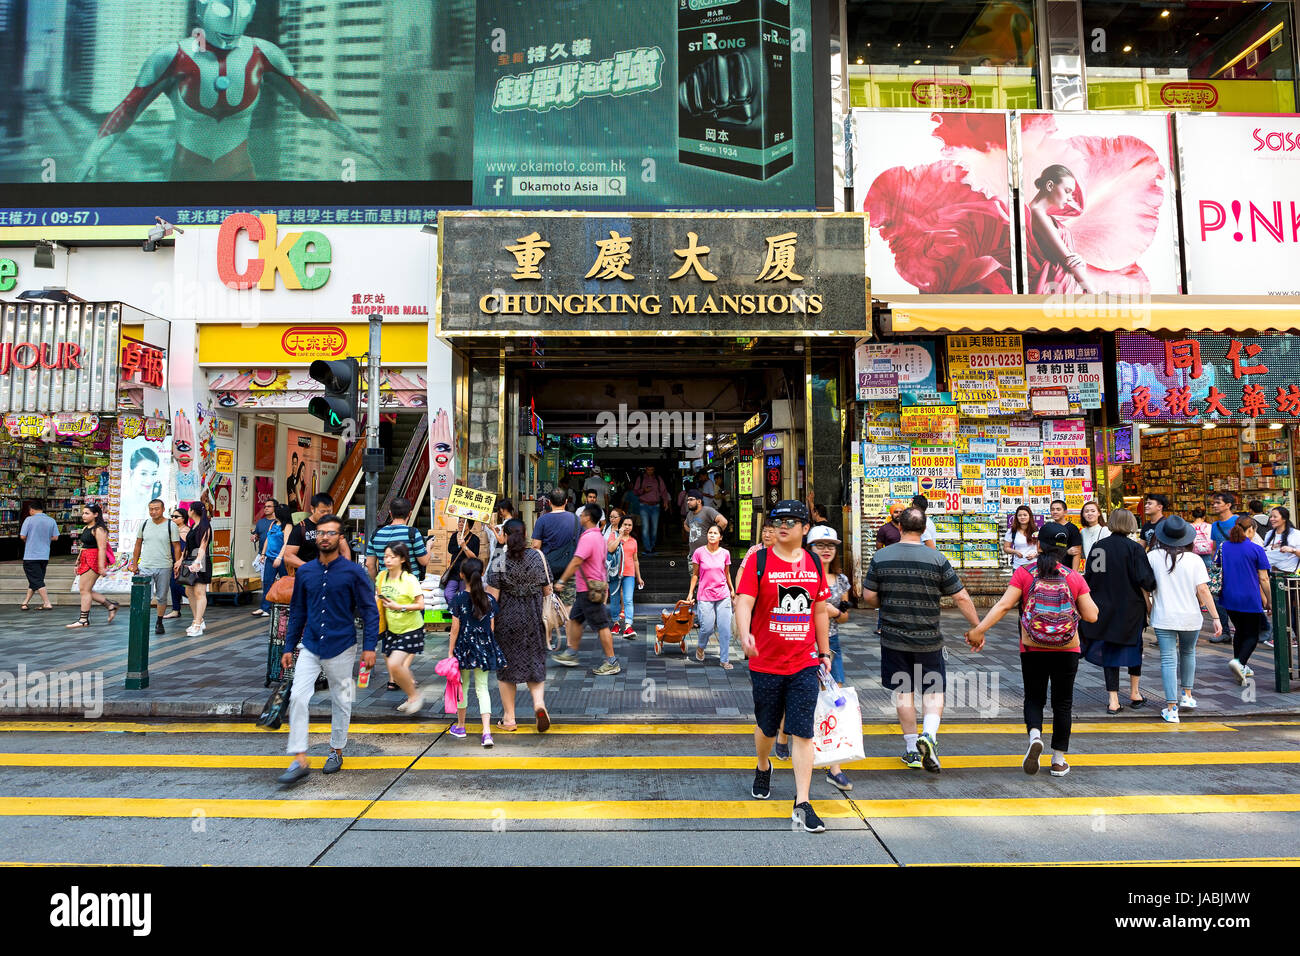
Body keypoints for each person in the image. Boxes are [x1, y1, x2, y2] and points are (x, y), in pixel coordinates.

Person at [734, 500, 832, 833]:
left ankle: (802, 802)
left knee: (803, 731)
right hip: (765, 660)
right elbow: (744, 601)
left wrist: (825, 652)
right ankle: (763, 765)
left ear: (805, 529)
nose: (783, 525)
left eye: (792, 521)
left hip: (804, 661)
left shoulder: (814, 564)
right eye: (778, 520)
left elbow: (819, 610)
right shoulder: (759, 561)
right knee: (766, 725)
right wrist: (744, 633)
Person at [967, 532, 1100, 778]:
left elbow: (1004, 605)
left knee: (1034, 698)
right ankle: (1059, 760)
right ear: (1065, 549)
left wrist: (978, 630)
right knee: (1063, 703)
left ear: (1038, 545)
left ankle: (1035, 736)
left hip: (1032, 647)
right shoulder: (1072, 577)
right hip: (1067, 648)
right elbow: (1092, 616)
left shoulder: (1025, 573)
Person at [862, 507, 981, 773]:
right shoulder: (937, 558)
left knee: (904, 692)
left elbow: (868, 597)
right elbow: (960, 596)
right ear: (924, 529)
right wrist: (977, 626)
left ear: (900, 527)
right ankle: (929, 735)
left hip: (894, 639)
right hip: (929, 639)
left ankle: (910, 748)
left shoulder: (881, 556)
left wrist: (888, 601)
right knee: (933, 689)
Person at [276, 514, 380, 784]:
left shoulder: (353, 572)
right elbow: (297, 611)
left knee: (341, 699)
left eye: (331, 533)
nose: (324, 537)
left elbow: (370, 611)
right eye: (321, 533)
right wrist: (289, 646)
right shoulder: (307, 572)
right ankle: (299, 757)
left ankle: (336, 750)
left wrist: (370, 647)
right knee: (298, 696)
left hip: (342, 646)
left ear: (339, 538)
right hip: (310, 644)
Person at [1078, 509, 1155, 714]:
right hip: (1131, 608)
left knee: (1109, 651)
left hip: (1104, 606)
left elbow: (1092, 578)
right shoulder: (1135, 549)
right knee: (1134, 647)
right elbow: (1146, 580)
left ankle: (1113, 700)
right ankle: (1135, 693)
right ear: (1130, 524)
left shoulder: (1099, 548)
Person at [1147, 515, 1220, 723]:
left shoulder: (1152, 557)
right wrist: (1215, 617)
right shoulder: (1194, 559)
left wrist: (1149, 607)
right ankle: (1187, 696)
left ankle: (1171, 709)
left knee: (1168, 660)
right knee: (1188, 652)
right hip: (1191, 616)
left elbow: (1144, 585)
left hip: (1163, 616)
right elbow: (1203, 590)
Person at [486, 518, 552, 733]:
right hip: (534, 618)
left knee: (506, 668)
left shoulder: (499, 559)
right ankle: (539, 704)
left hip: (507, 619)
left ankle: (509, 719)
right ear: (525, 534)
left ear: (504, 535)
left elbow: (492, 597)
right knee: (535, 662)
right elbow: (547, 590)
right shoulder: (537, 556)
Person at [807, 525, 855, 791]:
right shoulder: (801, 574)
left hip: (831, 644)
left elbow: (845, 615)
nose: (826, 550)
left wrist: (832, 610)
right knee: (801, 697)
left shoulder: (841, 579)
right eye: (820, 545)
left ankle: (834, 765)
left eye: (831, 546)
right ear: (810, 547)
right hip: (802, 642)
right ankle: (781, 736)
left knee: (835, 700)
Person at [553, 504, 621, 676]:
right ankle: (571, 652)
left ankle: (612, 661)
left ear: (588, 517)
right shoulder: (599, 537)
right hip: (591, 587)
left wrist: (562, 580)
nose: (580, 517)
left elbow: (576, 561)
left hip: (589, 590)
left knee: (601, 626)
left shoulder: (588, 538)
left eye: (582, 514)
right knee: (575, 619)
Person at [447, 557, 505, 746]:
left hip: (463, 647)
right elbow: (492, 627)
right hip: (483, 648)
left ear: (462, 575)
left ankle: (461, 726)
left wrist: (450, 652)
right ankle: (486, 732)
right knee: (482, 688)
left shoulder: (458, 599)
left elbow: (454, 629)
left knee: (462, 688)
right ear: (482, 574)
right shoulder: (489, 599)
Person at [1025, 163, 1095, 294]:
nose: (1069, 198)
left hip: (1061, 284)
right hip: (1056, 286)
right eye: (1067, 191)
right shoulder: (1037, 213)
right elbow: (1068, 260)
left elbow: (1069, 259)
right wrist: (1094, 294)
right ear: (1050, 186)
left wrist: (1079, 262)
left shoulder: (1040, 214)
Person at [1218, 516, 1271, 685]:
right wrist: (1269, 600)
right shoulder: (1256, 549)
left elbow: (1217, 568)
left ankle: (1240, 664)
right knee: (1252, 634)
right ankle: (1239, 662)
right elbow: (1264, 579)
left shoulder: (1224, 547)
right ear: (1250, 530)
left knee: (1240, 630)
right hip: (1249, 597)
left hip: (1229, 597)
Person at [376, 542, 426, 715]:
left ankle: (415, 696)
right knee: (395, 669)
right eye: (385, 557)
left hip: (411, 628)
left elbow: (420, 605)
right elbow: (378, 595)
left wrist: (400, 607)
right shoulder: (382, 576)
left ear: (402, 559)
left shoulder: (409, 580)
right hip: (392, 629)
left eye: (392, 557)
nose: (388, 560)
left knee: (395, 664)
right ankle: (411, 696)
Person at [129, 498, 182, 635]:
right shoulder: (144, 524)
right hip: (145, 565)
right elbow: (138, 544)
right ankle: (143, 622)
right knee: (144, 595)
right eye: (151, 509)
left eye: (156, 509)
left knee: (161, 596)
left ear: (163, 509)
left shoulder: (171, 525)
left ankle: (159, 621)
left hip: (164, 566)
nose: (153, 512)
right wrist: (135, 564)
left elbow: (177, 546)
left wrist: (177, 563)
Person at [687, 524, 734, 669]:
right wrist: (690, 593)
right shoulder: (699, 552)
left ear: (720, 537)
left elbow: (726, 573)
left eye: (715, 533)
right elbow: (695, 575)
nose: (712, 535)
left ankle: (724, 659)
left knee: (725, 629)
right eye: (710, 532)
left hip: (723, 594)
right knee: (707, 628)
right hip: (705, 595)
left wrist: (732, 589)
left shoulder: (725, 553)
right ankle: (701, 647)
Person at [66, 504, 119, 628]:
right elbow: (83, 546)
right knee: (85, 590)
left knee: (85, 590)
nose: (84, 515)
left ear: (96, 514)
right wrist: (77, 562)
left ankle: (83, 619)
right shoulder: (86, 528)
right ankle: (110, 606)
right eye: (83, 513)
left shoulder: (99, 529)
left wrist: (101, 567)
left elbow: (102, 548)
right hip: (85, 558)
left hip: (93, 559)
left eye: (87, 513)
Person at [282, 493, 353, 570]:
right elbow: (288, 556)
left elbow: (344, 551)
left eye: (329, 511)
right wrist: (311, 567)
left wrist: (345, 569)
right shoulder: (301, 527)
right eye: (322, 511)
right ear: (312, 509)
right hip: (308, 576)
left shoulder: (335, 527)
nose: (326, 515)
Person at [365, 496, 429, 580]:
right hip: (409, 587)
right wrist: (429, 545)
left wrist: (378, 583)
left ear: (390, 513)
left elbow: (369, 564)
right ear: (410, 513)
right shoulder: (413, 533)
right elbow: (424, 561)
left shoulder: (376, 534)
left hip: (386, 586)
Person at [1208, 491, 1242, 645]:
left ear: (1228, 505)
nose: (1214, 505)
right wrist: (1213, 564)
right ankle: (1225, 632)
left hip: (1238, 567)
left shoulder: (1238, 521)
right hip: (1221, 568)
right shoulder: (1215, 525)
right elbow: (1214, 547)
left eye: (1218, 503)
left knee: (1240, 599)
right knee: (1218, 599)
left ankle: (1257, 629)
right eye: (1213, 503)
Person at [176, 500, 212, 637]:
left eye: (189, 509)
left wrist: (197, 561)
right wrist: (180, 560)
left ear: (193, 511)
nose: (188, 511)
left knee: (199, 592)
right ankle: (199, 619)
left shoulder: (205, 526)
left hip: (200, 561)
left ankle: (197, 624)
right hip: (189, 560)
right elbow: (188, 547)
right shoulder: (194, 526)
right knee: (189, 590)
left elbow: (203, 547)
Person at [18, 499, 59, 611]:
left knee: (36, 580)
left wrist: (31, 539)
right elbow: (55, 537)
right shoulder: (51, 520)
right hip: (44, 555)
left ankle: (47, 603)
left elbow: (22, 536)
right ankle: (25, 602)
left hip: (31, 555)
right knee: (36, 579)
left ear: (31, 510)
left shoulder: (29, 520)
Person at [532, 489, 580, 583]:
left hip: (548, 570)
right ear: (566, 501)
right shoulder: (576, 519)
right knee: (569, 598)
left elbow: (536, 546)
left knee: (548, 597)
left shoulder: (542, 520)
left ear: (549, 502)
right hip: (570, 571)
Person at [608, 515, 642, 639]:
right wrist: (620, 536)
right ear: (621, 525)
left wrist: (639, 577)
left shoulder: (634, 541)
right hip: (614, 573)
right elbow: (610, 549)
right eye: (625, 524)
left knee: (628, 600)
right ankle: (616, 623)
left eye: (629, 525)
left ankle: (628, 626)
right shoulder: (613, 536)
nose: (627, 527)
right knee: (614, 600)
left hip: (629, 574)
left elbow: (635, 560)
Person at [259, 503, 294, 616]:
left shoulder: (287, 526)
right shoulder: (273, 524)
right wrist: (263, 554)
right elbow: (267, 539)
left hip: (282, 559)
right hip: (270, 557)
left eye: (275, 511)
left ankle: (287, 606)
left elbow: (286, 543)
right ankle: (265, 608)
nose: (273, 513)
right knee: (267, 582)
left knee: (285, 583)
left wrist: (279, 557)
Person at [634, 465, 669, 555]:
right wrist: (643, 490)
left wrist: (665, 502)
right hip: (644, 505)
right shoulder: (641, 478)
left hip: (655, 506)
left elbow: (664, 491)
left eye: (652, 469)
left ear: (654, 470)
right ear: (646, 469)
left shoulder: (658, 478)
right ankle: (647, 548)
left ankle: (652, 546)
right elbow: (635, 491)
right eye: (648, 469)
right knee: (645, 528)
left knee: (654, 528)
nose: (650, 471)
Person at [444, 517, 480, 605]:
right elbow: (450, 550)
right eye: (459, 521)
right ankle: (455, 610)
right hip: (454, 571)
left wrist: (464, 547)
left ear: (469, 525)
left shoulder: (475, 539)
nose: (460, 524)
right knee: (448, 593)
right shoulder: (454, 536)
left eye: (463, 522)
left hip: (466, 572)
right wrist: (457, 543)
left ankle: (461, 614)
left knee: (463, 594)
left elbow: (474, 558)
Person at [1040, 499, 1083, 568]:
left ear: (1065, 512)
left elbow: (1077, 553)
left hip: (1066, 569)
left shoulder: (1072, 528)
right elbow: (1042, 550)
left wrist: (1074, 574)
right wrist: (1066, 551)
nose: (1055, 512)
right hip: (1048, 568)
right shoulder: (1047, 528)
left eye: (1058, 509)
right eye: (1052, 509)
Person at [683, 489, 727, 555]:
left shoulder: (707, 511)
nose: (688, 502)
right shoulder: (690, 514)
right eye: (688, 500)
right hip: (693, 555)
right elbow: (685, 524)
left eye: (691, 499)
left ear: (699, 501)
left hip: (707, 554)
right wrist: (692, 531)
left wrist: (713, 534)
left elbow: (723, 522)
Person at [166, 507, 190, 619]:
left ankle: (196, 597)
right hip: (173, 561)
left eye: (176, 517)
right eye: (172, 517)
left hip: (180, 562)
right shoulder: (174, 530)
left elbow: (184, 549)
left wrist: (180, 562)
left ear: (183, 518)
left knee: (176, 584)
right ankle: (176, 610)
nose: (173, 519)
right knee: (173, 584)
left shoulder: (185, 531)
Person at [1262, 506, 1300, 574]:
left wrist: (1293, 550)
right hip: (1272, 575)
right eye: (1271, 517)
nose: (1271, 519)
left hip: (1290, 576)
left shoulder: (1296, 534)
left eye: (1275, 517)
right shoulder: (1269, 534)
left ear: (1284, 518)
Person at [1002, 505, 1039, 570]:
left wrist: (1035, 554)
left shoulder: (1036, 531)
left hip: (1034, 567)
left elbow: (1042, 548)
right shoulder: (1012, 531)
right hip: (1018, 567)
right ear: (1016, 517)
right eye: (1019, 515)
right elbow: (1006, 548)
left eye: (1025, 515)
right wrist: (1015, 552)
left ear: (1029, 516)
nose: (1022, 517)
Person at [1078, 499, 1109, 570]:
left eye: (1093, 511)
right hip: (1088, 570)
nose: (1089, 513)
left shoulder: (1105, 530)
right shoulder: (1083, 532)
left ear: (1099, 513)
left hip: (1103, 570)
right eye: (1086, 511)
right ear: (1083, 514)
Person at [251, 498, 276, 568]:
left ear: (275, 508)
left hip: (276, 555)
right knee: (264, 578)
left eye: (269, 506)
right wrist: (255, 537)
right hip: (263, 555)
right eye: (265, 507)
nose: (266, 508)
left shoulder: (279, 522)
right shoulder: (260, 522)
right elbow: (258, 536)